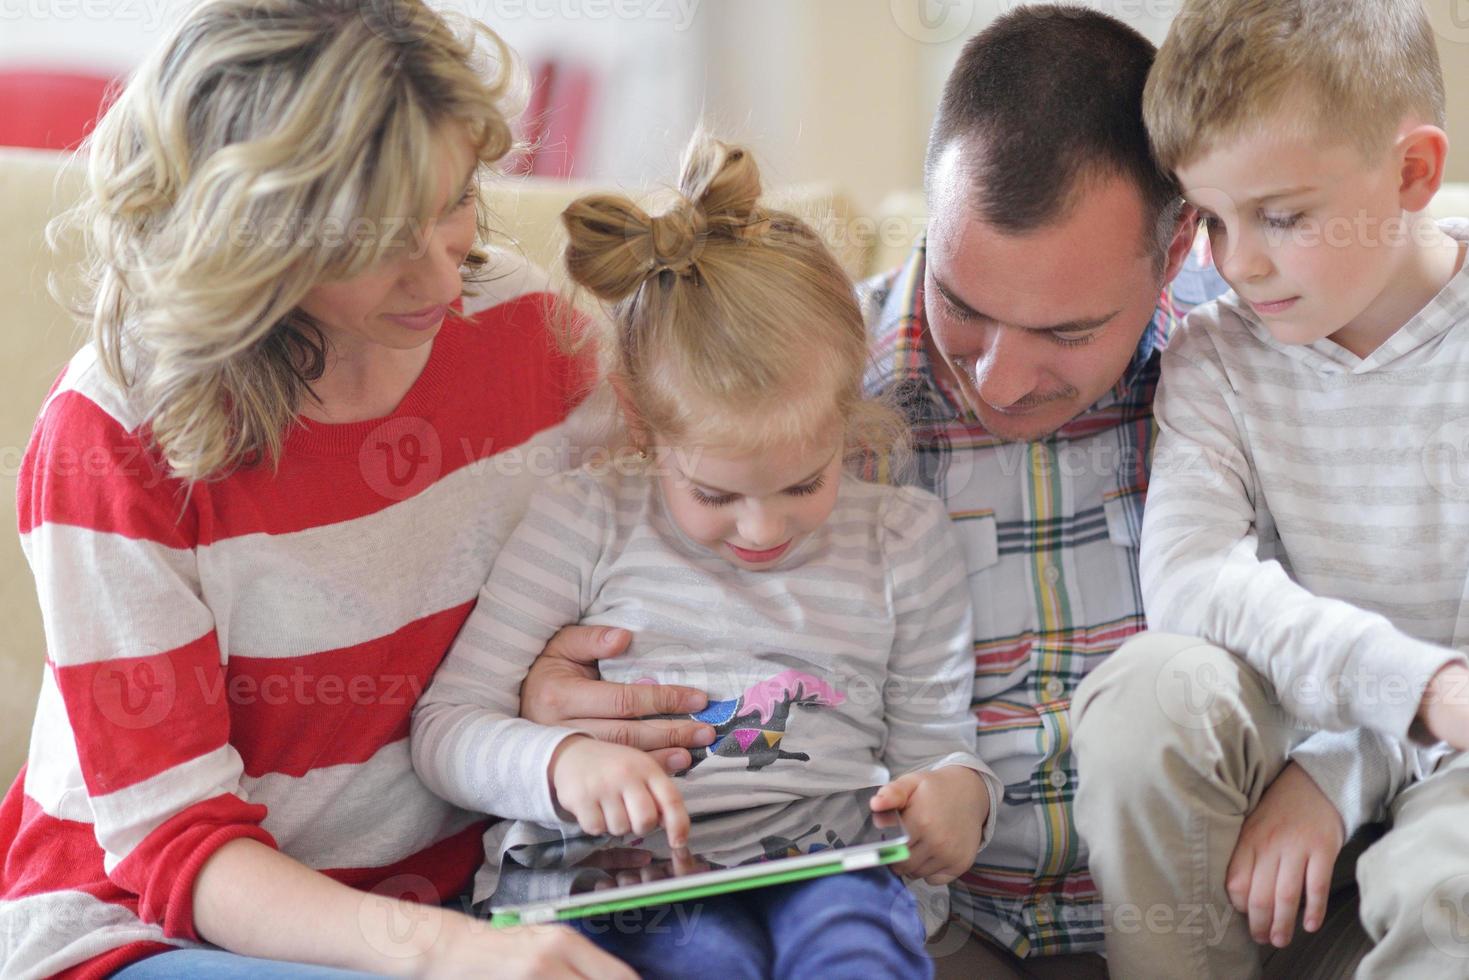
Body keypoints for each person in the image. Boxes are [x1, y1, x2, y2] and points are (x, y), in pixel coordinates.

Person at [514, 9, 1381, 979]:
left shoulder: (1256, 370)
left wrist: (1334, 763)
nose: (1001, 381)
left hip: (1228, 916)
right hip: (939, 929)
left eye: (1065, 332)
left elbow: (1397, 617)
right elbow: (661, 569)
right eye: (963, 308)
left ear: (1176, 246)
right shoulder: (802, 402)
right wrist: (549, 697)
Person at [0, 1, 637, 977]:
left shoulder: (525, 328)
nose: (441, 272)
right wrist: (442, 951)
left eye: (454, 200)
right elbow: (176, 841)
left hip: (471, 896)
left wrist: (560, 677)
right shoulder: (115, 434)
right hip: (143, 920)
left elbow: (636, 559)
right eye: (374, 239)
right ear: (251, 233)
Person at [409, 133, 1004, 980]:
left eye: (804, 482)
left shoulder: (903, 539)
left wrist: (957, 795)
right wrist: (560, 761)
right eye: (716, 496)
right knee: (704, 957)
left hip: (827, 871)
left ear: (849, 416)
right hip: (615, 877)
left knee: (855, 950)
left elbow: (935, 745)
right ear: (643, 428)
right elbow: (445, 731)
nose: (762, 531)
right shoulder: (582, 517)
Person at [1071, 0, 1469, 976]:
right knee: (1143, 694)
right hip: (1300, 736)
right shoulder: (1213, 353)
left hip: (1449, 764)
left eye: (1280, 216)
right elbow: (1190, 579)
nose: (1235, 263)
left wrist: (1343, 768)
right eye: (1208, 216)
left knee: (1440, 876)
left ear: (1411, 173)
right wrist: (1396, 693)